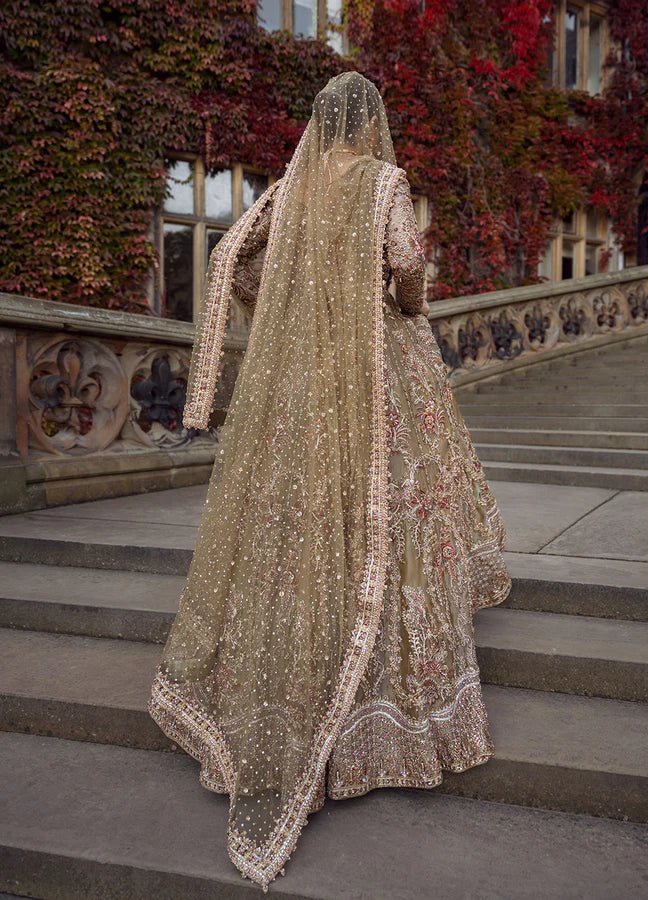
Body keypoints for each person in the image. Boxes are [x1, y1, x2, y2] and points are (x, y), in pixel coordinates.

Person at [148, 70, 510, 891]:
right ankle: (389, 707)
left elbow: (232, 261)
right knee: (395, 514)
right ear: (371, 123)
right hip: (378, 369)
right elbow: (408, 264)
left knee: (306, 515)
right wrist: (404, 301)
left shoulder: (292, 186)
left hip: (307, 382)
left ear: (319, 124)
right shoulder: (385, 182)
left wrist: (284, 310)